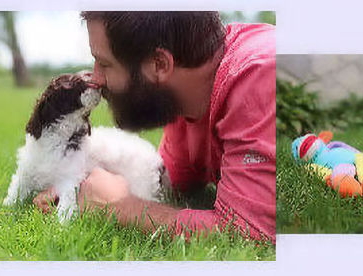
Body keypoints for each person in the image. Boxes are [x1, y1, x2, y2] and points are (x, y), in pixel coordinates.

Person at [34, 11, 276, 243]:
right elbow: (168, 183)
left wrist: (122, 207)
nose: (96, 78)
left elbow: (247, 232)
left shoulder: (259, 75)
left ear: (160, 64)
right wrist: (78, 184)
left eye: (105, 64)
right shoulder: (184, 99)